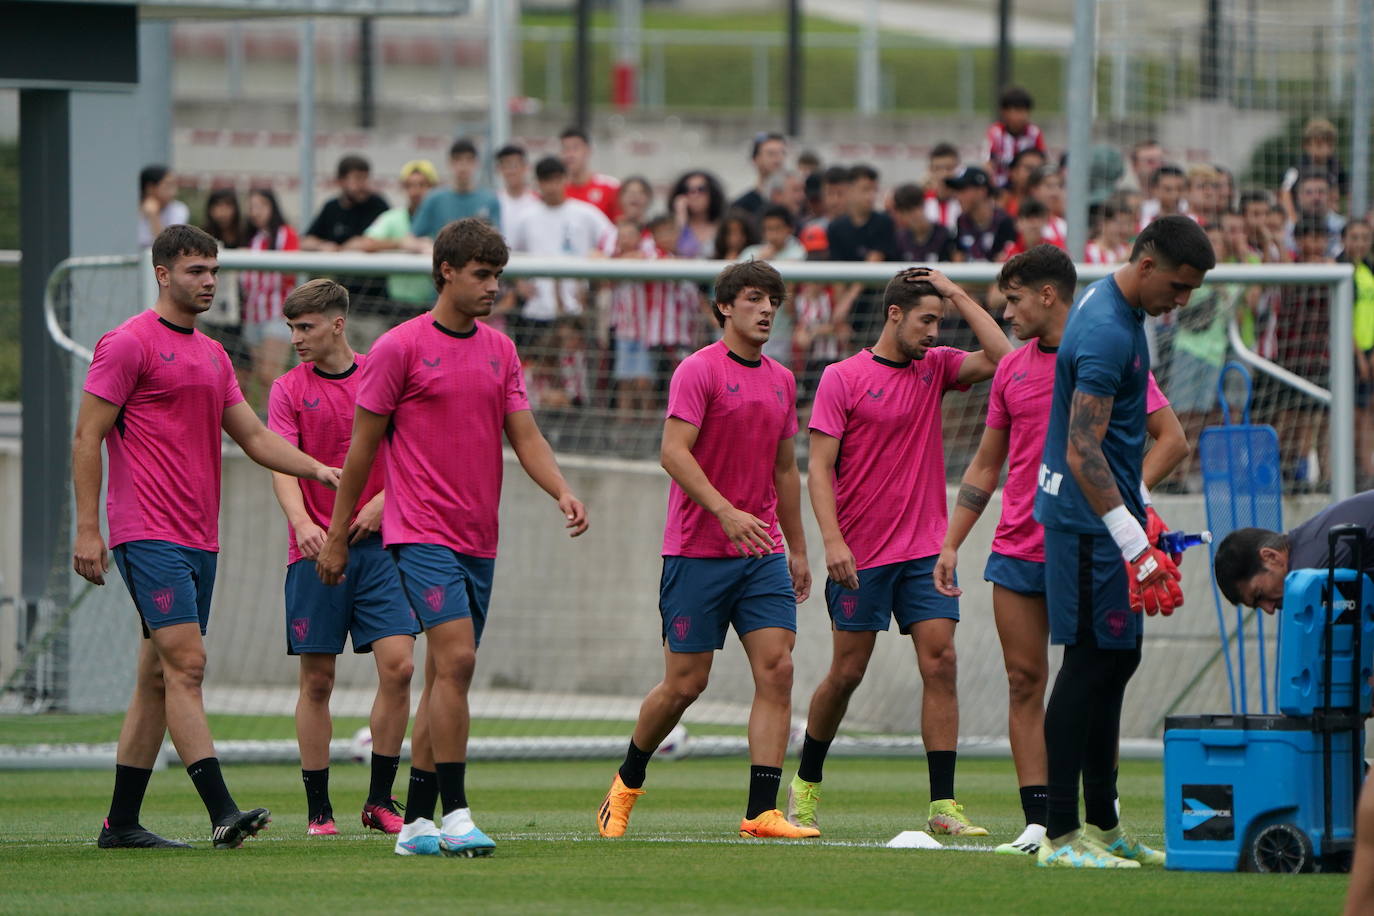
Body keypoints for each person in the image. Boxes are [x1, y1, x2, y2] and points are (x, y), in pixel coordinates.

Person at [315, 218, 589, 857]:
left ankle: (415, 824)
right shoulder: (399, 348)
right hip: (420, 533)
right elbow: (361, 451)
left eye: (498, 275)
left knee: (446, 674)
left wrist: (561, 489)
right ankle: (457, 813)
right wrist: (336, 534)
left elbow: (525, 435)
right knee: (458, 660)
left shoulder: (501, 350)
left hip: (479, 536)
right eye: (482, 275)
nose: (494, 286)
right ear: (446, 273)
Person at [73, 225, 341, 850]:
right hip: (146, 531)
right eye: (197, 270)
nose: (210, 281)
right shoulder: (127, 343)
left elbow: (255, 437)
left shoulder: (215, 355)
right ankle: (222, 812)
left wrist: (318, 469)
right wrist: (88, 528)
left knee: (157, 677)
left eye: (214, 270)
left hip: (200, 537)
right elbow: (87, 436)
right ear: (163, 274)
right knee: (188, 665)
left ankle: (121, 824)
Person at [935, 246, 1188, 857]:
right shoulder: (1012, 370)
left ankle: (1093, 822)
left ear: (1046, 295)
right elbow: (987, 464)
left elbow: (1172, 439)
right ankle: (1041, 823)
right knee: (1026, 680)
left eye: (1014, 300)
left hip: (1087, 539)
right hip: (1019, 547)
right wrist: (951, 542)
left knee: (1097, 675)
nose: (1008, 313)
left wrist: (1129, 501)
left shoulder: (1101, 346)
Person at [783, 266, 1011, 838]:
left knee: (942, 661)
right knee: (847, 672)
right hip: (860, 553)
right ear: (894, 314)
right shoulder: (842, 377)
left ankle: (943, 804)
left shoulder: (936, 368)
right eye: (927, 320)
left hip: (925, 552)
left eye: (940, 321)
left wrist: (955, 292)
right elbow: (818, 469)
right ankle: (805, 783)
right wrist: (832, 541)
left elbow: (1004, 358)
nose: (934, 332)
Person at [597, 260, 815, 841]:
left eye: (773, 301)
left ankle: (761, 812)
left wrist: (797, 548)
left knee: (778, 669)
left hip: (761, 554)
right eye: (754, 298)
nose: (766, 310)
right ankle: (626, 781)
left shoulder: (782, 379)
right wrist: (724, 510)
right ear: (724, 306)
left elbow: (785, 469)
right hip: (697, 552)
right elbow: (673, 451)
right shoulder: (698, 370)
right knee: (686, 684)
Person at [1031, 214, 1215, 868]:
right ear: (1146, 264)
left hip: (1105, 519)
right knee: (1087, 664)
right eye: (1178, 285)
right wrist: (1134, 544)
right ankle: (1058, 835)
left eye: (1192, 290)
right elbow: (1082, 449)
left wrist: (1141, 513)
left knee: (1116, 662)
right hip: (1087, 527)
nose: (1182, 301)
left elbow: (1115, 444)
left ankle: (1104, 826)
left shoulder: (1121, 309)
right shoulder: (1109, 329)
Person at [267, 278, 418, 837]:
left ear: (337, 324)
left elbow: (411, 451)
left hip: (382, 549)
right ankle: (318, 812)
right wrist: (303, 523)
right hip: (313, 552)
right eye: (291, 328)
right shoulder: (286, 389)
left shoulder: (381, 375)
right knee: (318, 682)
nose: (296, 339)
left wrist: (384, 501)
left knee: (400, 667)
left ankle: (380, 801)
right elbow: (280, 463)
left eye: (305, 327)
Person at [507, 156, 614, 346]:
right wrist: (519, 283)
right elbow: (508, 253)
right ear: (538, 183)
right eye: (546, 180)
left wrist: (600, 254)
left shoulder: (585, 213)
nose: (552, 186)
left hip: (576, 309)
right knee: (535, 362)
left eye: (556, 179)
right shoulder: (526, 217)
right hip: (538, 308)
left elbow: (612, 238)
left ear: (565, 179)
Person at [1214, 489, 1374, 614]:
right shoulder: (1307, 545)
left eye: (1259, 595)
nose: (1269, 609)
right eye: (1259, 606)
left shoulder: (1308, 569)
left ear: (1271, 557)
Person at [240, 187, 299, 407]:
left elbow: (290, 273)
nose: (255, 212)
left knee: (271, 374)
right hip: (252, 314)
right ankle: (268, 418)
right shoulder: (252, 238)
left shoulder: (286, 234)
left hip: (277, 313)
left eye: (261, 206)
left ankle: (279, 419)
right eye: (252, 207)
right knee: (261, 377)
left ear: (272, 207)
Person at [354, 159, 440, 309]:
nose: (415, 192)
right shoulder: (392, 217)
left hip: (436, 305)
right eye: (410, 185)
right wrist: (401, 244)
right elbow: (367, 242)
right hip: (398, 305)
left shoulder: (442, 218)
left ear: (433, 187)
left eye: (422, 185)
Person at [828, 164, 899, 340]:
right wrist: (841, 317)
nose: (871, 196)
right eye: (865, 189)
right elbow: (837, 275)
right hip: (852, 308)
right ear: (849, 190)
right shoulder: (835, 228)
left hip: (879, 304)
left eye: (874, 190)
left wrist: (847, 302)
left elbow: (873, 262)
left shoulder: (884, 222)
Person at [410, 139, 501, 242]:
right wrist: (424, 245)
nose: (463, 166)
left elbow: (497, 240)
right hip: (443, 252)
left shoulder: (490, 200)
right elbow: (410, 238)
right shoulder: (434, 199)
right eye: (458, 159)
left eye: (469, 160)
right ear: (450, 163)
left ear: (476, 163)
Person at [1341, 220, 1374, 485]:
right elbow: (1342, 316)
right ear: (1344, 240)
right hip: (1348, 352)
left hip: (1369, 350)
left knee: (1367, 411)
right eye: (1355, 237)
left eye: (1365, 237)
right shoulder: (1341, 270)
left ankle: (1366, 468)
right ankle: (1347, 469)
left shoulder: (1369, 269)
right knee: (1352, 412)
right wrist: (1359, 355)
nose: (1360, 243)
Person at [302, 155, 391, 252]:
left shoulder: (377, 204)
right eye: (357, 178)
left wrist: (365, 244)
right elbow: (306, 241)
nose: (363, 184)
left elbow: (394, 239)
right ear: (341, 181)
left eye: (365, 178)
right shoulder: (331, 207)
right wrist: (322, 245)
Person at [1280, 118, 1348, 225]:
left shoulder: (1336, 166)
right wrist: (1293, 220)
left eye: (1329, 145)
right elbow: (1285, 193)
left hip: (1327, 219)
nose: (1324, 149)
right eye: (1319, 144)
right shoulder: (1296, 168)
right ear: (1307, 146)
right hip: (1301, 218)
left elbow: (1346, 192)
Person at [983, 86, 1046, 189]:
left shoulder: (1034, 133)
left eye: (1024, 111)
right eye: (1016, 111)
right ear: (1004, 113)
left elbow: (1042, 161)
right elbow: (987, 163)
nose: (1021, 116)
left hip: (1028, 185)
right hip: (1000, 187)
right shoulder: (996, 133)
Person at [950, 166, 1016, 262]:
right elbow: (958, 258)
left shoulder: (1005, 222)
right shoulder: (961, 221)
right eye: (957, 191)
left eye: (963, 190)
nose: (958, 197)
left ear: (982, 191)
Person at [560, 126, 620, 222]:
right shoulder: (557, 191)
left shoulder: (610, 187)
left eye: (575, 148)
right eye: (566, 149)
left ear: (588, 150)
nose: (570, 155)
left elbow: (622, 224)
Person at [892, 183, 958, 263]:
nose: (915, 215)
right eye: (908, 211)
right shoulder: (899, 239)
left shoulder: (944, 235)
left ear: (924, 204)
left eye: (917, 207)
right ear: (901, 214)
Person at [669, 170, 726, 258]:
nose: (694, 195)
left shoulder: (724, 225)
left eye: (701, 189)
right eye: (687, 190)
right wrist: (680, 217)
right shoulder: (672, 225)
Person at [732, 131, 788, 215]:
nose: (778, 159)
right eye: (771, 153)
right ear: (755, 159)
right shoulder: (741, 207)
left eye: (783, 153)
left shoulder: (796, 201)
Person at [494, 144, 539, 239]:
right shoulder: (494, 202)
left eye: (514, 165)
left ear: (525, 167)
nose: (510, 171)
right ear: (499, 169)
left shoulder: (537, 201)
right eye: (505, 166)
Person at [138, 165, 190, 248]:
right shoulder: (133, 208)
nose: (174, 192)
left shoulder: (179, 209)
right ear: (150, 187)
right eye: (168, 185)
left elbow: (169, 246)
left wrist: (153, 216)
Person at [923, 142, 963, 230]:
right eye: (937, 169)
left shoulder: (967, 203)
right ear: (930, 171)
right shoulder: (921, 203)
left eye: (949, 168)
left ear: (960, 169)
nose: (943, 174)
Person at [1084, 196, 1135, 265]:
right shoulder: (1088, 252)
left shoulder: (1128, 250)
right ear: (1103, 223)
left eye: (1128, 224)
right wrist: (1120, 263)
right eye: (1120, 223)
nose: (1125, 230)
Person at [1137, 165, 1189, 231]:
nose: (1175, 194)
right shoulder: (1144, 223)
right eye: (1168, 189)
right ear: (1154, 190)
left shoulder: (1194, 221)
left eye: (1180, 189)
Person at [1000, 148, 1047, 219]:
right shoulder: (1000, 202)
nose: (1034, 173)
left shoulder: (1050, 205)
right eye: (1029, 168)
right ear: (1013, 172)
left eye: (1039, 169)